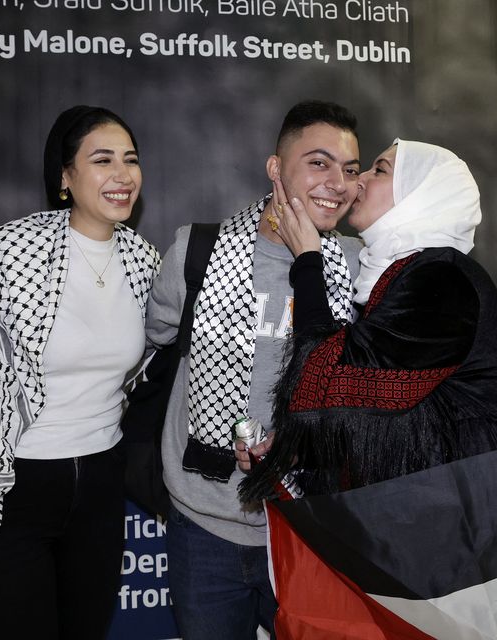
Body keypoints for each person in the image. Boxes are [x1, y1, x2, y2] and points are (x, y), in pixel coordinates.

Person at [0, 105, 161, 639]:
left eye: (130, 160)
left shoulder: (143, 260)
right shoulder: (13, 248)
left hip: (100, 495)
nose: (122, 175)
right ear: (64, 177)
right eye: (102, 159)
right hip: (11, 492)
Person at [144, 100, 363, 639]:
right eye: (318, 163)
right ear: (275, 169)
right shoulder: (194, 253)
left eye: (351, 169)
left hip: (312, 525)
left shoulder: (363, 265)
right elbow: (148, 345)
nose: (338, 183)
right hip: (204, 525)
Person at [238, 139, 497, 501]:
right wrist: (298, 450)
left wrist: (308, 261)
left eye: (380, 170)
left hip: (463, 514)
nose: (359, 182)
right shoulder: (401, 274)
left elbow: (328, 383)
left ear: (420, 195)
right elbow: (382, 415)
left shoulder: (440, 279)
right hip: (435, 507)